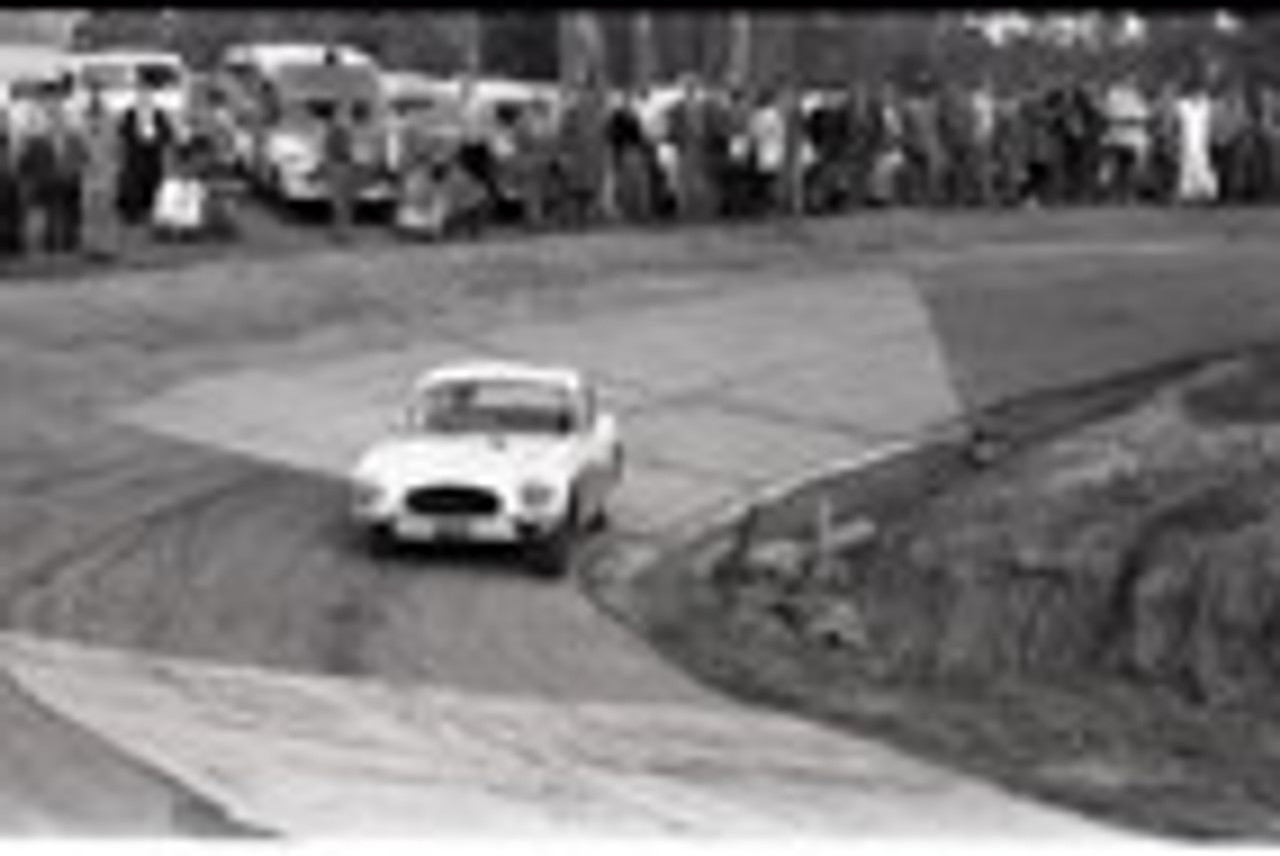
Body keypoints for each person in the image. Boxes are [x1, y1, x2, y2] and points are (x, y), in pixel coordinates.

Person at [116, 86, 173, 227]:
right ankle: (132, 216)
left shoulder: (159, 114)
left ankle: (152, 214)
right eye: (141, 98)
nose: (144, 100)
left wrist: (155, 138)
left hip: (153, 158)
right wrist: (137, 136)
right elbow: (123, 131)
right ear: (137, 100)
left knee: (153, 187)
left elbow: (167, 134)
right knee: (133, 187)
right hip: (135, 158)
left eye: (147, 98)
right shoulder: (130, 114)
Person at [322, 103, 357, 241]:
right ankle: (342, 230)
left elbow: (331, 150)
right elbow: (341, 150)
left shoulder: (336, 130)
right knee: (342, 201)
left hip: (339, 165)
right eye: (342, 114)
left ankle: (341, 230)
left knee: (340, 201)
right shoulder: (339, 131)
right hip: (340, 165)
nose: (344, 117)